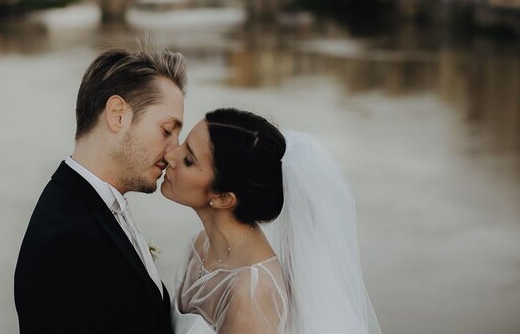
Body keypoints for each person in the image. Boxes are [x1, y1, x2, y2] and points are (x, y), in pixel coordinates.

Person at [162, 108, 382, 334]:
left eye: (188, 160)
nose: (170, 156)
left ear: (223, 198)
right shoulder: (200, 245)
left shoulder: (251, 292)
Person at [14, 47, 187, 334]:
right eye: (166, 131)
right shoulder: (66, 245)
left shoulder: (92, 206)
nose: (173, 153)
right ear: (118, 115)